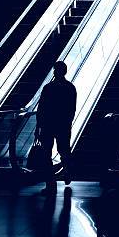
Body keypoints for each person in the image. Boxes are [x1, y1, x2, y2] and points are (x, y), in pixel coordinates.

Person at [36, 61, 77, 193]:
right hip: (63, 125)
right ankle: (67, 171)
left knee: (46, 153)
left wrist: (39, 126)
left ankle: (50, 183)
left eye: (55, 70)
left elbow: (41, 108)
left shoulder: (48, 88)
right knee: (64, 150)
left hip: (48, 124)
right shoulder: (70, 88)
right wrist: (68, 122)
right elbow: (72, 109)